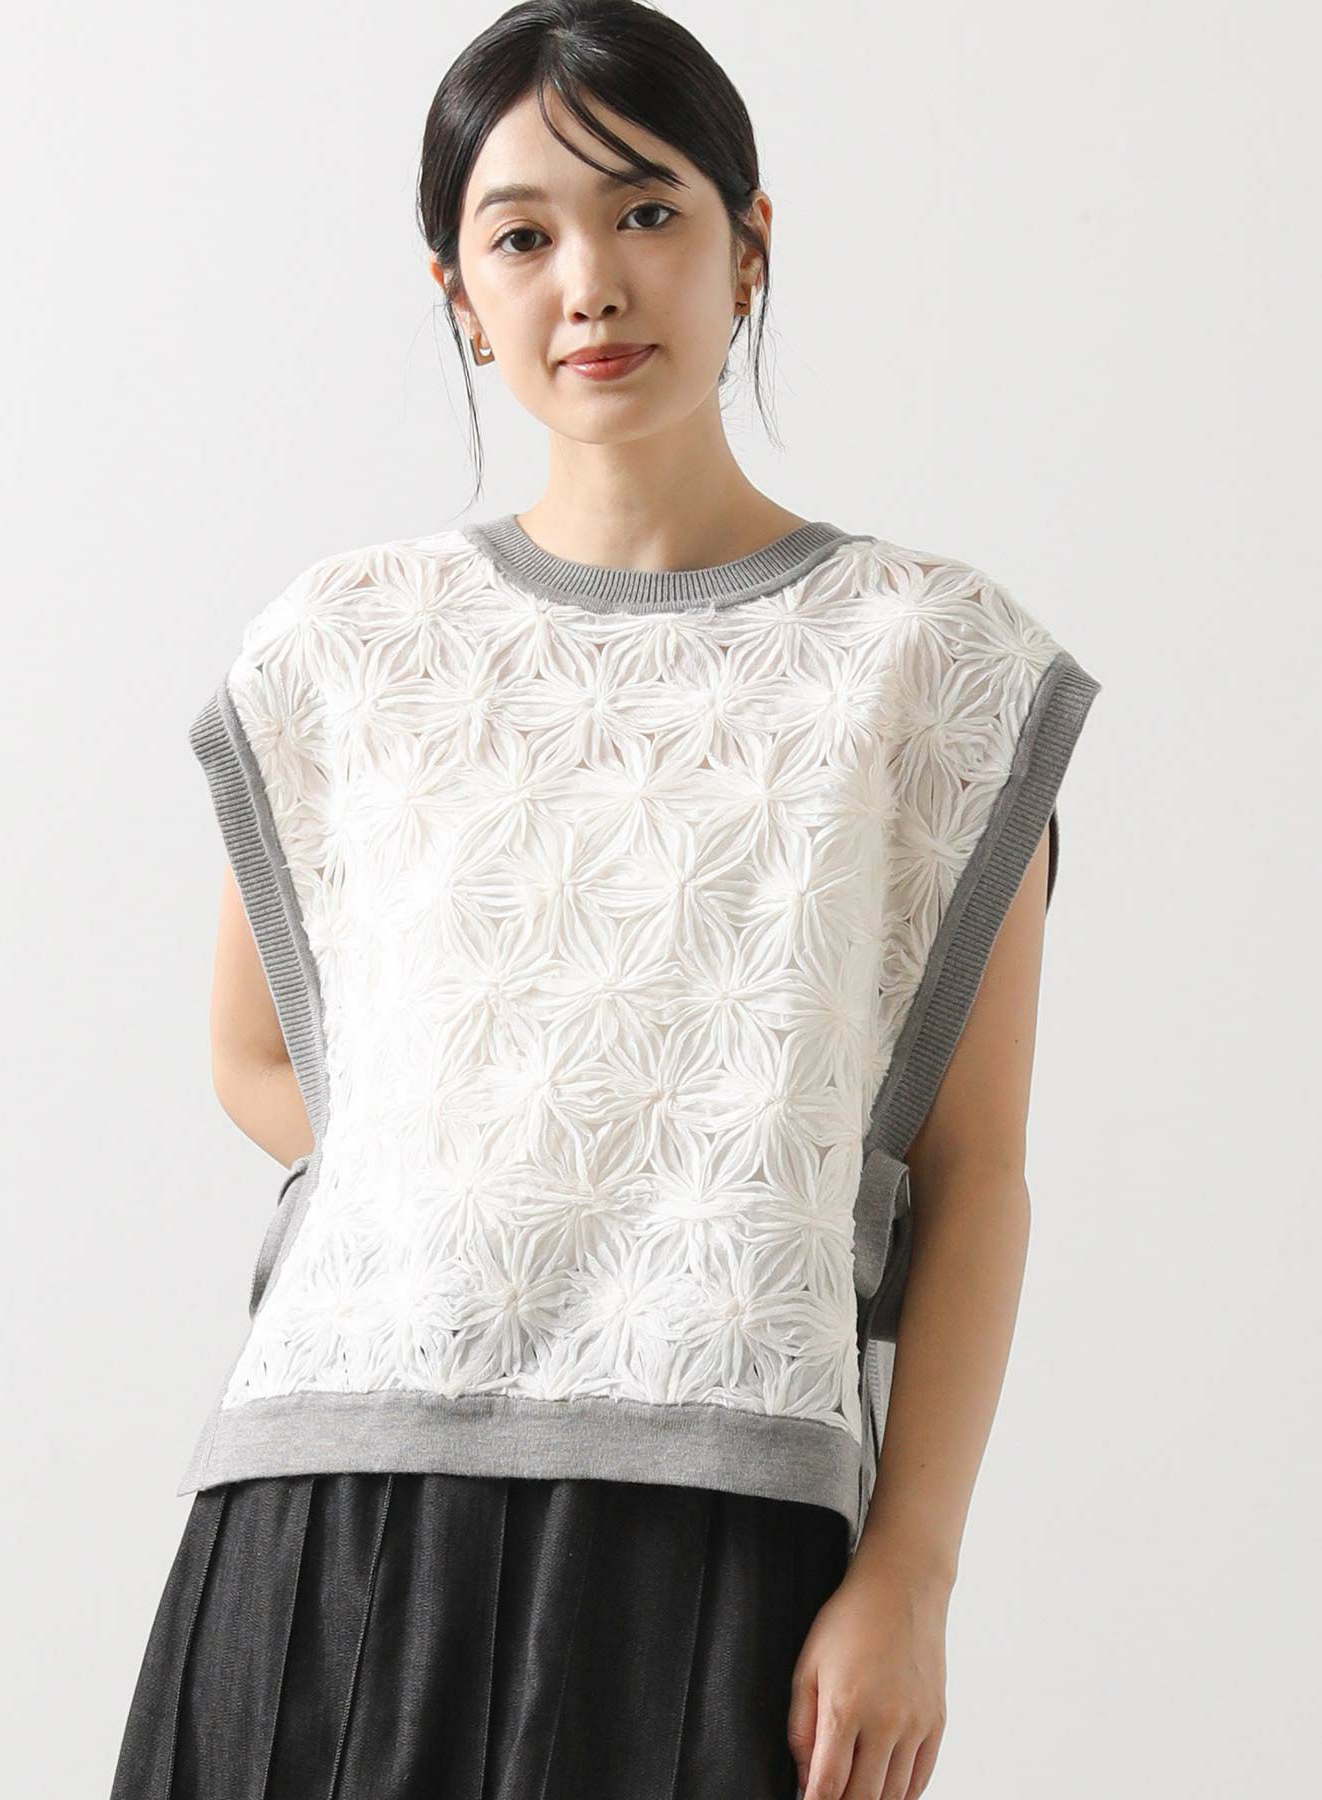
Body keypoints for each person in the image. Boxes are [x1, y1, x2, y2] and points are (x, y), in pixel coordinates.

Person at [108, 5, 1102, 1798]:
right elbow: (256, 1058)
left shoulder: (932, 665)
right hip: (324, 1509)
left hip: (717, 1517)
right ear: (458, 295)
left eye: (648, 211)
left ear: (750, 245)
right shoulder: (350, 645)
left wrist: (912, 1573)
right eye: (521, 236)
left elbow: (978, 1180)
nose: (591, 283)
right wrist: (506, 1178)